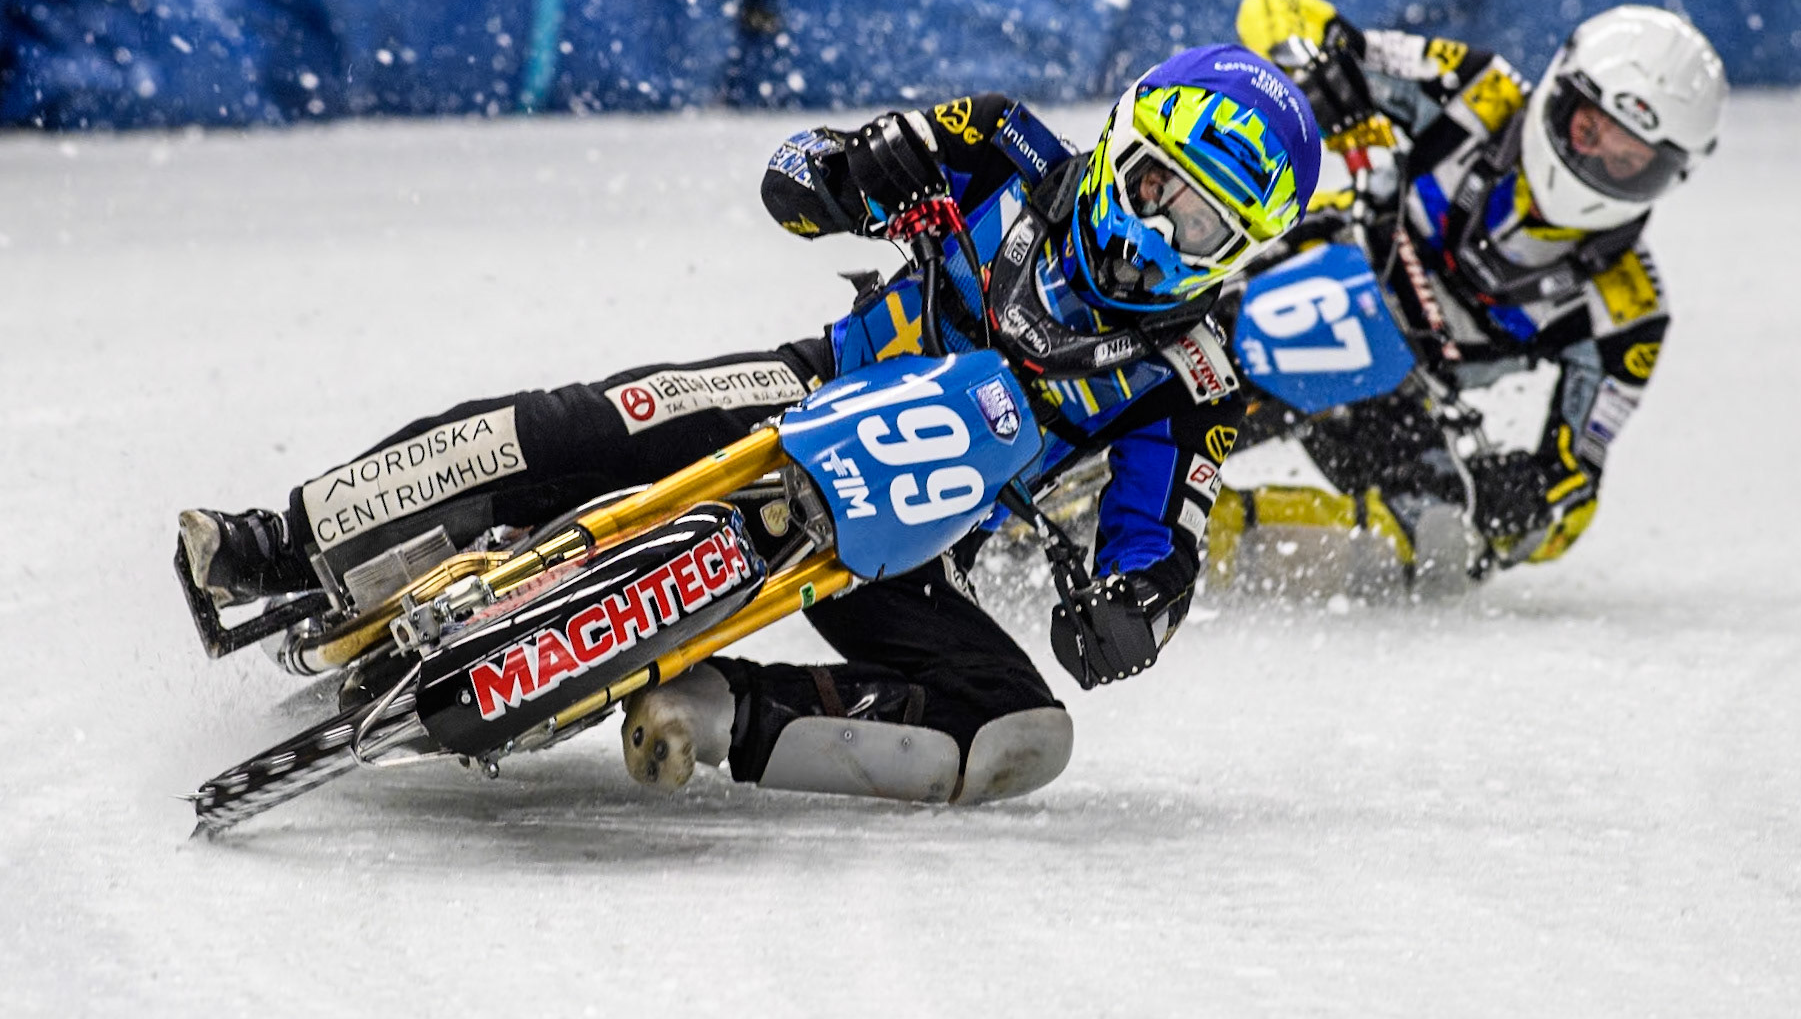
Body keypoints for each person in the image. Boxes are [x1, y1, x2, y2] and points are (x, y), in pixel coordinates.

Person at [175, 43, 1320, 803]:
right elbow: (799, 169)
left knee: (1020, 735)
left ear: (1243, 252)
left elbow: (1160, 536)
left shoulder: (1194, 376)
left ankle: (710, 709)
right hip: (807, 390)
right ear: (1119, 149)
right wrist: (846, 176)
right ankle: (281, 539)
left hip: (911, 537)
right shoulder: (1002, 143)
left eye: (1203, 228)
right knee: (571, 428)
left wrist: (1133, 612)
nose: (1156, 240)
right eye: (1158, 190)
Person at [1216, 0, 1727, 594]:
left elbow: (1576, 494)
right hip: (1316, 263)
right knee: (1188, 281)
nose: (1593, 162)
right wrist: (1307, 65)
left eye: (1627, 160)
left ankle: (1199, 544)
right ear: (1560, 92)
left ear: (1667, 174)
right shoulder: (1479, 89)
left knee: (1443, 543)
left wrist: (1526, 503)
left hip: (1399, 400)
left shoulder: (1629, 308)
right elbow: (1273, 8)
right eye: (1590, 130)